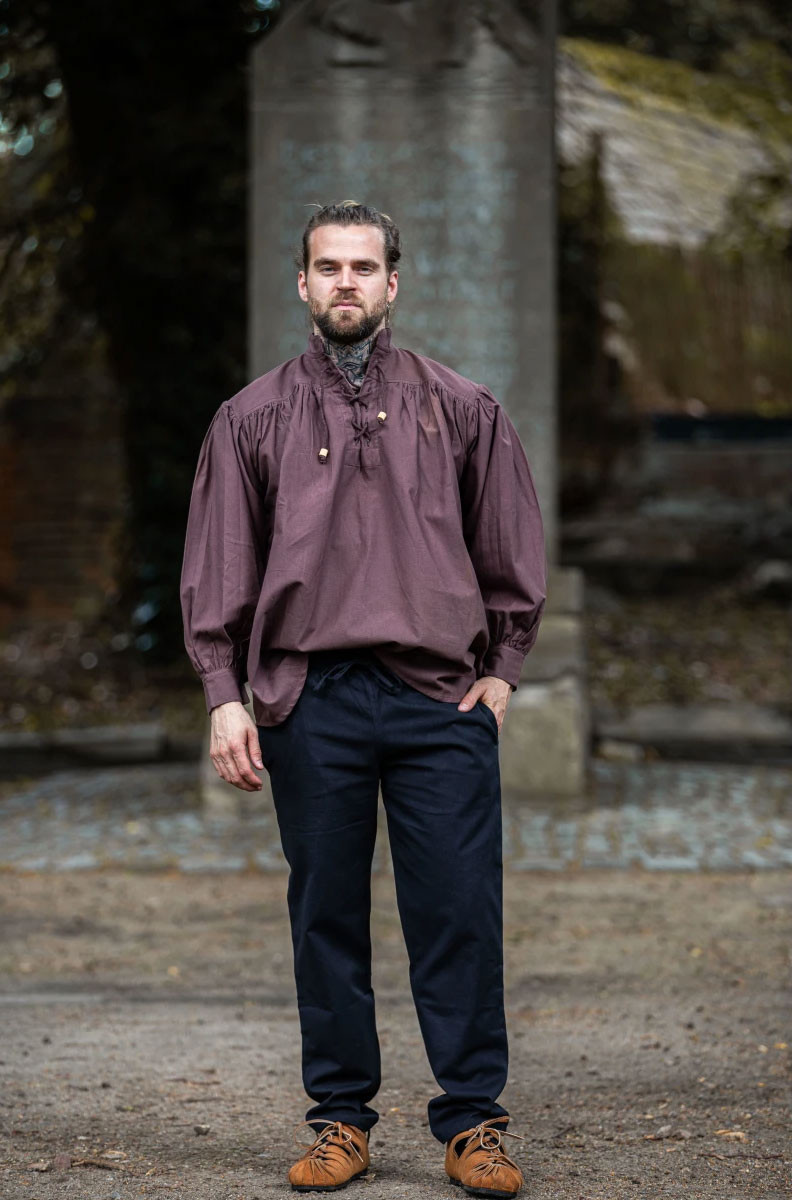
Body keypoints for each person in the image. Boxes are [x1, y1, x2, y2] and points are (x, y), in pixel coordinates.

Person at [180, 201, 546, 1196]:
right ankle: (340, 1120)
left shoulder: (463, 407)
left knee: (459, 911)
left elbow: (510, 549)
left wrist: (504, 669)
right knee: (326, 916)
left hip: (439, 699)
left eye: (365, 266)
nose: (347, 281)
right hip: (312, 698)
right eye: (329, 266)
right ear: (302, 283)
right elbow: (221, 565)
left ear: (394, 283)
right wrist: (223, 693)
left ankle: (473, 1123)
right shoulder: (250, 418)